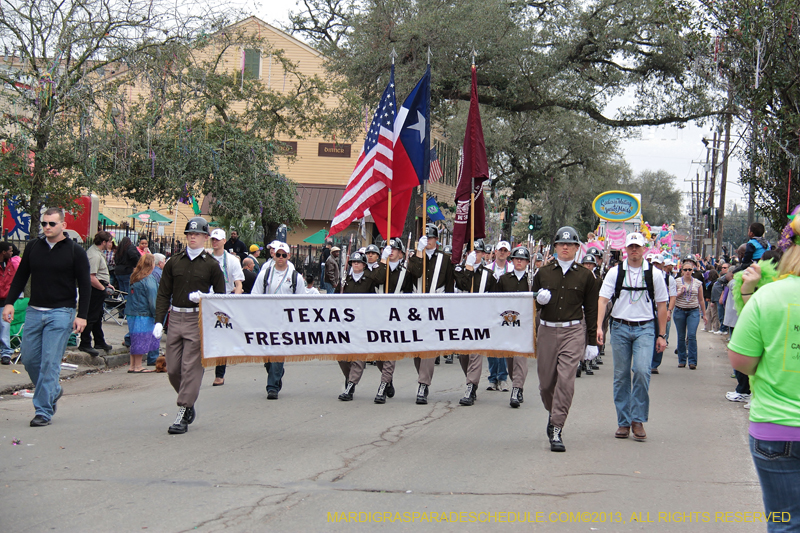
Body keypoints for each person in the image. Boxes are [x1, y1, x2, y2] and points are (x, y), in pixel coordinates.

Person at [727, 232, 800, 531]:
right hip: (776, 426)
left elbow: (742, 361)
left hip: (776, 425)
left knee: (786, 522)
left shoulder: (769, 296)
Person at [2, 208, 91, 427]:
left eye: (52, 224)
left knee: (50, 362)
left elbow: (86, 285)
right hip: (35, 310)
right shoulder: (33, 246)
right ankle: (53, 389)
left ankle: (43, 410)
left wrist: (82, 316)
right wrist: (9, 302)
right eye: (44, 224)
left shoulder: (75, 251)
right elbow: (21, 276)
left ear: (63, 225)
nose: (47, 227)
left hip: (62, 312)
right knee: (30, 358)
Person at [155, 216, 224, 434]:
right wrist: (158, 321)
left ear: (205, 238)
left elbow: (222, 296)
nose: (192, 237)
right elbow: (163, 293)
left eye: (197, 234)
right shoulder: (173, 262)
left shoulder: (212, 265)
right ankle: (189, 399)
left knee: (191, 366)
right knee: (174, 368)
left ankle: (183, 411)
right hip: (175, 317)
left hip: (197, 318)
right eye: (189, 234)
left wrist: (204, 297)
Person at [597, 232, 668, 442]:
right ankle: (623, 421)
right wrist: (599, 326)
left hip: (645, 328)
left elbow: (662, 305)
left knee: (641, 371)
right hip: (619, 327)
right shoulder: (614, 272)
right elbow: (602, 299)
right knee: (620, 375)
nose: (634, 250)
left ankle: (638, 419)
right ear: (625, 249)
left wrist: (661, 335)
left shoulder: (653, 274)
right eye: (631, 247)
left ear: (643, 249)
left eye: (637, 246)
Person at [533, 227, 599, 452]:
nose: (565, 247)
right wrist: (538, 300)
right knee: (545, 384)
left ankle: (557, 427)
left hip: (573, 331)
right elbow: (531, 304)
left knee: (566, 380)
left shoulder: (585, 275)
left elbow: (591, 310)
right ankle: (554, 413)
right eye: (561, 243)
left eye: (570, 244)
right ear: (555, 246)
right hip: (547, 330)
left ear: (577, 248)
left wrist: (592, 342)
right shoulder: (543, 273)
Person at [407, 224, 455, 404]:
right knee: (417, 348)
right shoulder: (415, 257)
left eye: (432, 238)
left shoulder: (445, 259)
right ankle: (422, 376)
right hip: (416, 308)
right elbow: (415, 273)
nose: (428, 241)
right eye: (426, 238)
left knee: (428, 346)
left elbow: (449, 285)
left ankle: (423, 384)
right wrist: (418, 253)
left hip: (436, 308)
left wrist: (448, 310)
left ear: (437, 240)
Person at [252, 242, 305, 399]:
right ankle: (276, 370)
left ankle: (272, 387)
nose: (280, 258)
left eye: (284, 255)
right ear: (274, 255)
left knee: (278, 351)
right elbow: (255, 295)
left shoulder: (295, 276)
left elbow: (302, 300)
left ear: (288, 256)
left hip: (285, 320)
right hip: (267, 318)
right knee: (268, 354)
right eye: (278, 255)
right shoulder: (265, 274)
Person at [369, 238, 415, 403]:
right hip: (378, 317)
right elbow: (378, 279)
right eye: (388, 249)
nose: (391, 251)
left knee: (390, 352)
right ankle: (388, 379)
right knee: (380, 355)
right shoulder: (377, 268)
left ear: (401, 253)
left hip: (396, 319)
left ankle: (382, 385)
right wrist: (383, 261)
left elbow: (409, 296)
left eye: (394, 249)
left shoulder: (406, 273)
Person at [453, 239, 497, 406]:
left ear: (484, 254)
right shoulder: (459, 270)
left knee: (475, 353)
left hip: (480, 320)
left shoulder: (489, 275)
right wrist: (468, 268)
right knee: (463, 355)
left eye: (478, 252)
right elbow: (463, 283)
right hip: (463, 318)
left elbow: (494, 300)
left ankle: (471, 386)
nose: (475, 255)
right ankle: (470, 378)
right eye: (471, 252)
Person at [337, 252, 381, 401]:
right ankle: (350, 378)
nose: (355, 264)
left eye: (358, 262)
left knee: (358, 357)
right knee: (342, 357)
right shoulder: (344, 281)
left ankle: (350, 385)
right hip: (346, 324)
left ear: (363, 265)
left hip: (362, 324)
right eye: (353, 262)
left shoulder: (369, 281)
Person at [208, 228, 245, 387]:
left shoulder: (232, 260)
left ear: (224, 241)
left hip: (225, 298)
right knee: (203, 336)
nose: (214, 242)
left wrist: (234, 301)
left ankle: (219, 373)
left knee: (222, 337)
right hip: (208, 299)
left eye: (217, 239)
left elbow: (238, 283)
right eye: (213, 239)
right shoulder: (205, 259)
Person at [78, 231, 115, 357]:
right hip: (94, 289)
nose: (111, 244)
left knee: (98, 316)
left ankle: (99, 341)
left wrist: (106, 284)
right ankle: (85, 342)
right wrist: (102, 288)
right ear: (103, 242)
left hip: (99, 286)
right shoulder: (94, 255)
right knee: (92, 316)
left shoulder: (98, 253)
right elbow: (91, 277)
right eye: (109, 241)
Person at [485, 240, 514, 392]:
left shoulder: (512, 270)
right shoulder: (487, 269)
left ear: (509, 253)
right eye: (499, 250)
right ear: (495, 252)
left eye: (505, 250)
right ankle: (492, 377)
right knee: (491, 345)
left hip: (507, 313)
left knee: (502, 345)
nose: (502, 252)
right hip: (490, 310)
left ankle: (502, 378)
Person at [126, 253, 159, 373]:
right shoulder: (149, 279)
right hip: (144, 313)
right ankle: (138, 366)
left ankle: (132, 365)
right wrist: (157, 315)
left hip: (131, 312)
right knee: (141, 338)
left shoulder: (135, 277)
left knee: (134, 338)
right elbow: (152, 299)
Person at [674, 257, 707, 369]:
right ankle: (682, 360)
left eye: (690, 270)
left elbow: (701, 299)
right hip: (680, 310)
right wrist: (679, 293)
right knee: (681, 336)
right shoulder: (677, 281)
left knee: (692, 335)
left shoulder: (698, 283)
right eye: (685, 270)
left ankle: (692, 361)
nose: (687, 272)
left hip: (693, 311)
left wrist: (704, 314)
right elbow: (672, 297)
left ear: (693, 270)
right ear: (682, 271)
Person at [650, 255, 677, 374]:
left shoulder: (668, 278)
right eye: (653, 263)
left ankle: (655, 364)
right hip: (649, 310)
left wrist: (669, 310)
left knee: (660, 335)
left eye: (658, 264)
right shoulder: (646, 275)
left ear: (662, 265)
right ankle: (645, 362)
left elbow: (672, 296)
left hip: (662, 310)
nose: (655, 266)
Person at [0, 241, 22, 365]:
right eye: (9, 250)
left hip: (6, 301)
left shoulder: (11, 264)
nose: (11, 252)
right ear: (3, 252)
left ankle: (6, 353)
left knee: (5, 326)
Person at [114, 237, 135, 313]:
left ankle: (121, 311)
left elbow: (115, 260)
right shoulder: (129, 248)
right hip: (127, 271)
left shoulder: (119, 250)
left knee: (121, 292)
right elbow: (135, 257)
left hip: (118, 272)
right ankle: (126, 311)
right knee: (127, 292)